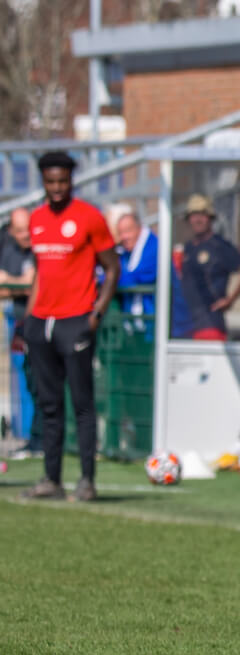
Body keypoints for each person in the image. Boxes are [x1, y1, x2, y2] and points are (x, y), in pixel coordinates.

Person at [21, 151, 120, 501]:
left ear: (71, 181)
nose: (57, 188)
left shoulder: (89, 217)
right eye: (51, 182)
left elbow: (112, 268)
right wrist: (28, 321)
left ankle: (87, 481)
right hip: (41, 323)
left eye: (63, 181)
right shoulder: (36, 219)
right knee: (49, 404)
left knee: (82, 402)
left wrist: (96, 313)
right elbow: (40, 275)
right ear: (43, 182)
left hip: (75, 320)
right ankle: (51, 478)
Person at [178, 194, 240, 341]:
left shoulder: (219, 246)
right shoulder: (188, 247)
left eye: (202, 214)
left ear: (210, 218)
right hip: (185, 325)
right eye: (193, 215)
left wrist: (230, 299)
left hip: (210, 325)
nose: (197, 219)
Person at [1, 208, 40, 458]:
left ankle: (43, 440)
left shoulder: (40, 249)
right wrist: (21, 284)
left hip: (43, 322)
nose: (26, 234)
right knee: (28, 379)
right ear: (11, 232)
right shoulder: (8, 250)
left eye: (29, 228)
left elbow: (34, 284)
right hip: (20, 325)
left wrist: (12, 282)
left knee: (43, 383)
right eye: (20, 230)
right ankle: (33, 439)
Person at [113, 212, 159, 321]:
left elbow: (136, 277)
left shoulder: (154, 248)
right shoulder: (124, 253)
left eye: (128, 231)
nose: (124, 237)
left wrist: (107, 280)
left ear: (139, 228)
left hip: (154, 320)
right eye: (121, 233)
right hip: (133, 320)